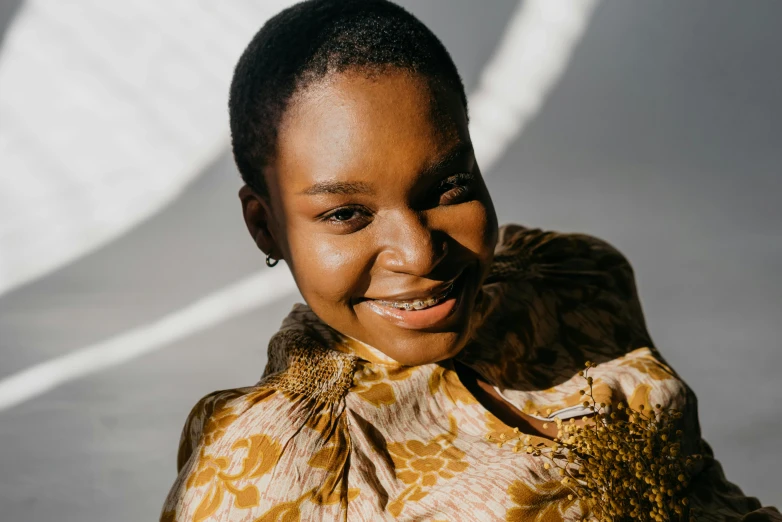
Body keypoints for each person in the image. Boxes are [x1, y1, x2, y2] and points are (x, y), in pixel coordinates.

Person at [160, 1, 781, 520]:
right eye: (347, 214)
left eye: (448, 189)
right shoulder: (266, 461)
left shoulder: (574, 282)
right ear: (265, 226)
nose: (420, 253)